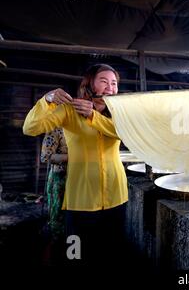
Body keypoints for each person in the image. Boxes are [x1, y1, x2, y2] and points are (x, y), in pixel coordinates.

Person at [23, 64, 128, 264]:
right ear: (89, 84)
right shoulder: (69, 111)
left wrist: (93, 116)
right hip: (81, 200)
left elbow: (123, 133)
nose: (110, 88)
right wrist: (47, 100)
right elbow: (30, 128)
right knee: (76, 255)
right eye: (104, 81)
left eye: (114, 83)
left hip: (116, 196)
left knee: (111, 254)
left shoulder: (121, 113)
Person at [41, 128, 68, 240]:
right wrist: (71, 157)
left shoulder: (81, 126)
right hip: (59, 179)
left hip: (78, 178)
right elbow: (45, 157)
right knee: (57, 215)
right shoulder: (56, 130)